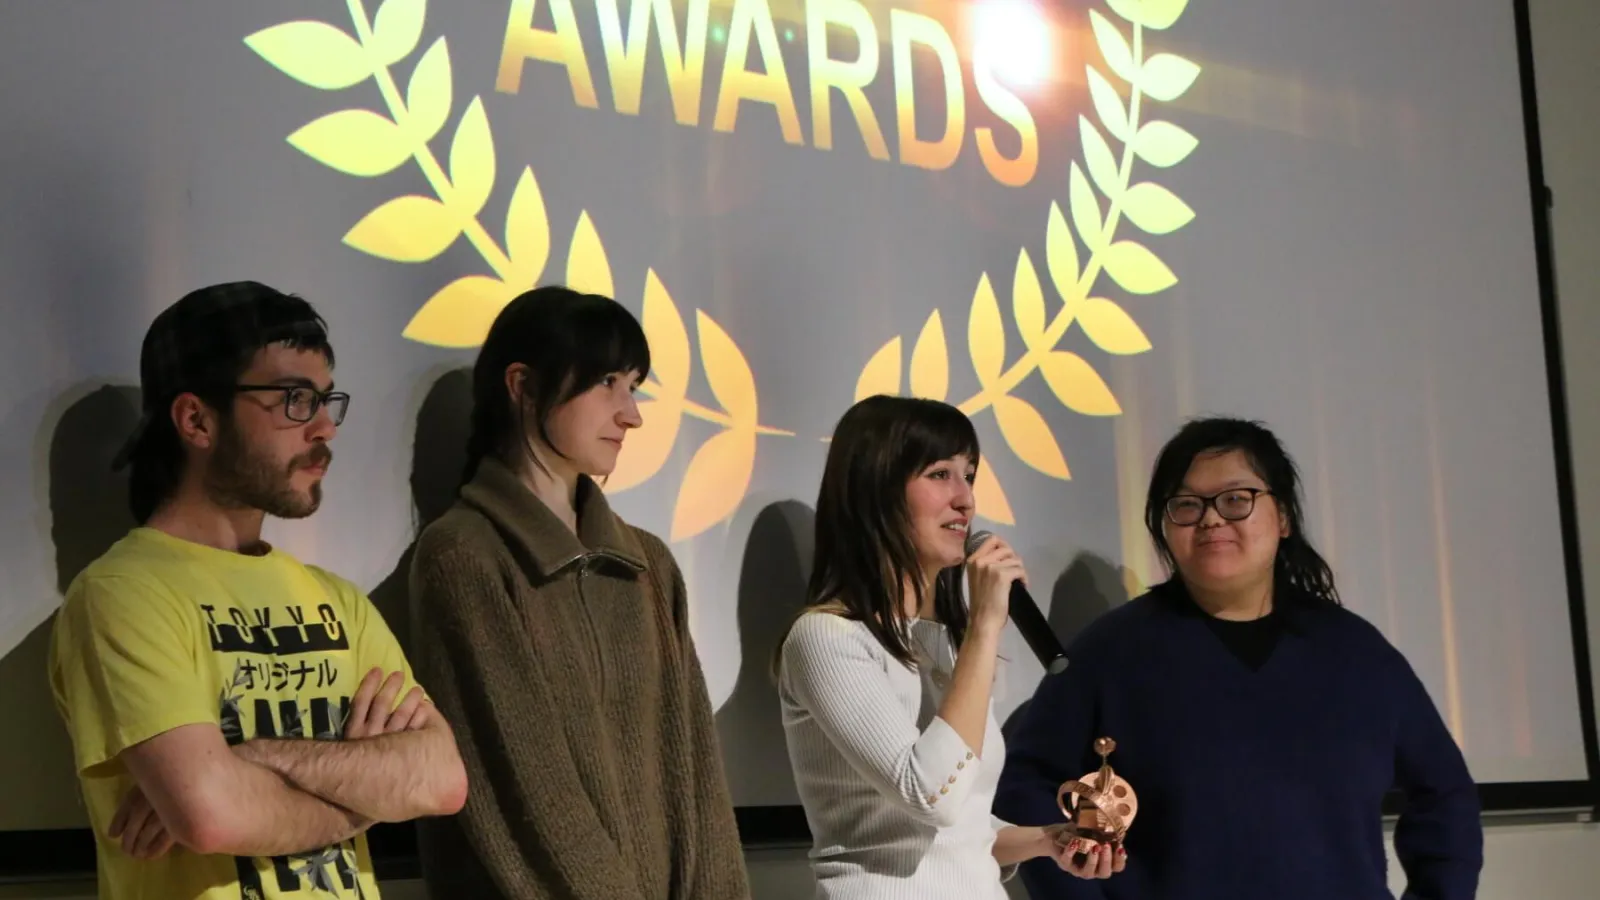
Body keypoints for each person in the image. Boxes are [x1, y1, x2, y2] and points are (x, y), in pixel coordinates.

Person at [48, 281, 469, 900]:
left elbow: (440, 779)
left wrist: (256, 756)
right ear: (196, 419)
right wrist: (369, 798)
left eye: (326, 401)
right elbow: (212, 815)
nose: (325, 427)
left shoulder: (337, 600)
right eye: (295, 399)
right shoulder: (122, 595)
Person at [994, 416, 1484, 899]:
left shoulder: (1357, 653)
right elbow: (1026, 786)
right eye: (1186, 505)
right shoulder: (1113, 651)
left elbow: (1445, 795)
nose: (1210, 519)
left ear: (1284, 516)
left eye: (1235, 499)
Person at [407, 285, 750, 898]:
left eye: (634, 385)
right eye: (606, 383)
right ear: (523, 385)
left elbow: (695, 769)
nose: (632, 413)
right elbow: (524, 791)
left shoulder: (647, 563)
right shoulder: (464, 555)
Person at [773, 395, 1121, 899]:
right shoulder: (827, 638)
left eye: (970, 474)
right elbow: (930, 794)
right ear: (876, 490)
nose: (965, 500)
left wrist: (1050, 838)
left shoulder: (945, 644)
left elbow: (962, 831)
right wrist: (984, 625)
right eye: (940, 474)